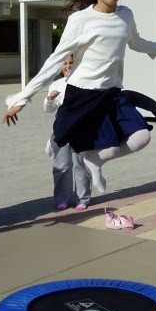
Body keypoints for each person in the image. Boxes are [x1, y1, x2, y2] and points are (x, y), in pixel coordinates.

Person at [2, 0, 156, 193]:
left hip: (111, 93)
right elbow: (54, 61)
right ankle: (61, 140)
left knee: (141, 138)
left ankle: (93, 160)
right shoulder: (80, 20)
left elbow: (138, 43)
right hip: (82, 94)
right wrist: (22, 98)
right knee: (82, 144)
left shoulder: (125, 15)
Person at [44, 54, 92, 211]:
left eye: (71, 63)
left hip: (81, 128)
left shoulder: (85, 83)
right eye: (64, 63)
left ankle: (82, 198)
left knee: (81, 165)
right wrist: (50, 99)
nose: (68, 66)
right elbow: (48, 109)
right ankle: (62, 198)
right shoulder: (56, 84)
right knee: (62, 166)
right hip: (63, 129)